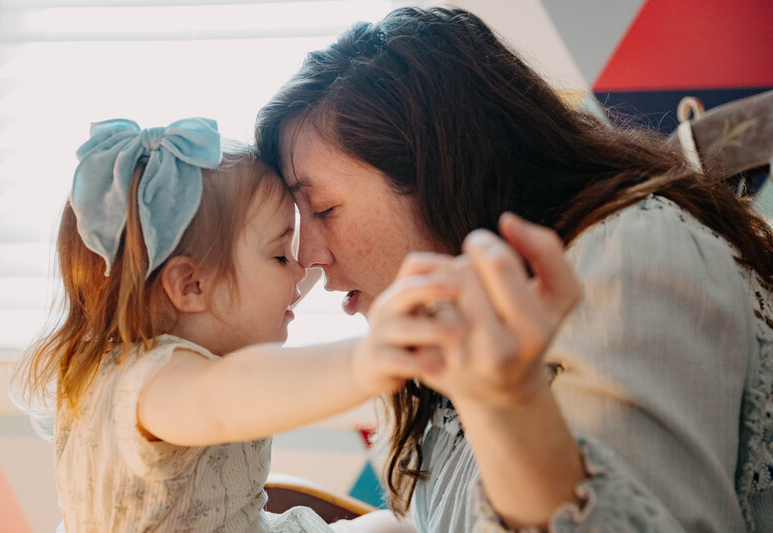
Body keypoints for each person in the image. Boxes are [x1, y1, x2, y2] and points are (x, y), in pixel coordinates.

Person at [254, 6, 773, 532]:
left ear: (439, 172)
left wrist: (508, 405)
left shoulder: (628, 254)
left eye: (322, 210)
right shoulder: (439, 333)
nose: (307, 257)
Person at [13, 117, 458, 532]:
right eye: (280, 255)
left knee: (391, 526)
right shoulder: (151, 384)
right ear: (191, 286)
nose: (301, 268)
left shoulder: (160, 362)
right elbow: (226, 397)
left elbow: (243, 342)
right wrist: (366, 359)